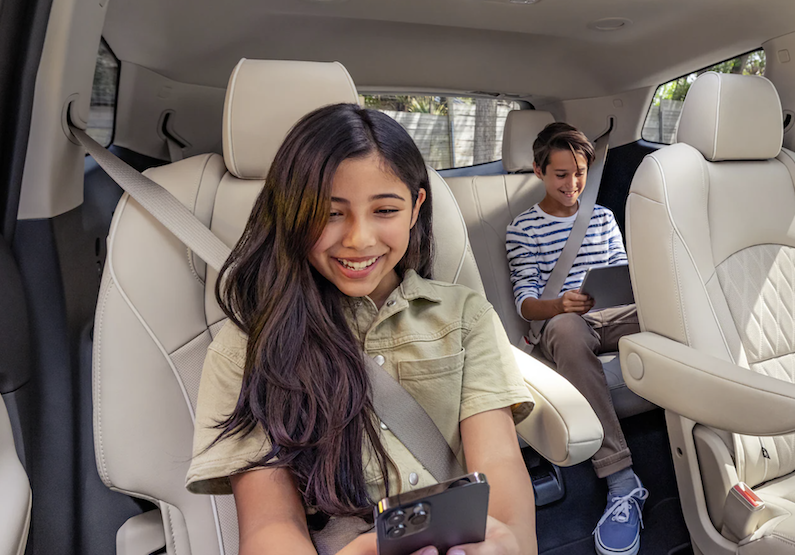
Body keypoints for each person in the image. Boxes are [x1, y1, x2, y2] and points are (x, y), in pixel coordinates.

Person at [185, 103, 537, 555]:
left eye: (385, 210)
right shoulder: (249, 350)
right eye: (331, 214)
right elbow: (269, 524)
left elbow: (501, 466)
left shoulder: (464, 316)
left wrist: (507, 543)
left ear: (415, 209)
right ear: (291, 213)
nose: (359, 239)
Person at [506, 122, 646, 555]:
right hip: (562, 323)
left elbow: (621, 272)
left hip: (612, 313)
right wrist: (561, 305)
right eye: (561, 174)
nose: (572, 184)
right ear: (539, 171)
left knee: (675, 313)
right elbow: (525, 304)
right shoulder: (522, 229)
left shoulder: (602, 217)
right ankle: (620, 478)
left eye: (580, 173)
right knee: (567, 330)